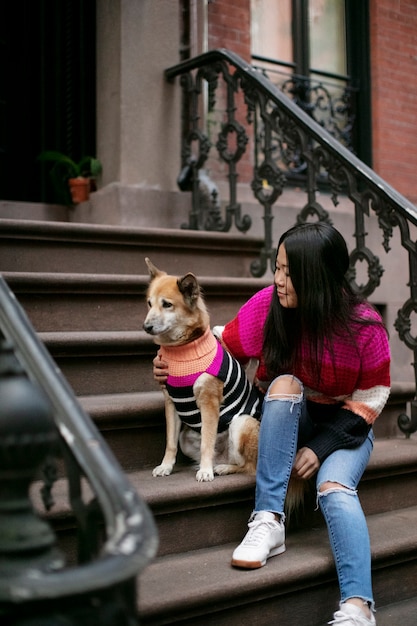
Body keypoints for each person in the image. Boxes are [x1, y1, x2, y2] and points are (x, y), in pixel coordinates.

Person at [153, 222, 391, 626]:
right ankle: (268, 520)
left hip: (346, 427)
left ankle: (357, 608)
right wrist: (176, 359)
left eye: (288, 272)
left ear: (316, 276)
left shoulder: (364, 327)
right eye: (276, 268)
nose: (278, 280)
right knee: (282, 383)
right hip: (287, 417)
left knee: (334, 489)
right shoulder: (267, 307)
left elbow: (371, 399)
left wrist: (321, 448)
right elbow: (220, 343)